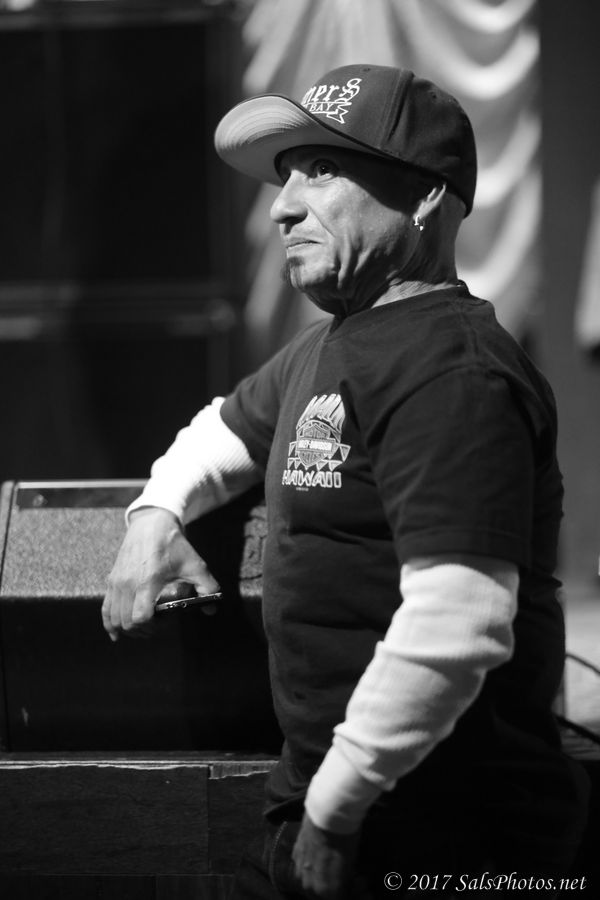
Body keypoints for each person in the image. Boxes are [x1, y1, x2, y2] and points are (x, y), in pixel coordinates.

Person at [102, 65, 589, 898]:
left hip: (445, 835)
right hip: (328, 808)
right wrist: (154, 517)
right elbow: (221, 430)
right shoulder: (330, 345)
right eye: (286, 176)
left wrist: (336, 806)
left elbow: (460, 618)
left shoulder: (452, 370)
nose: (283, 206)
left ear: (427, 195)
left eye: (322, 170)